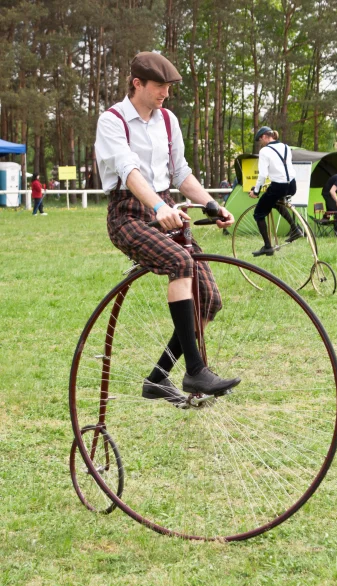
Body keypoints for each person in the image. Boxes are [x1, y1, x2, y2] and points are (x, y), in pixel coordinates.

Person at [95, 51, 240, 407]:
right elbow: (129, 171)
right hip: (128, 212)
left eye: (168, 87)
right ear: (137, 83)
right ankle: (195, 369)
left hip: (166, 209)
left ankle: (158, 378)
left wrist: (210, 204)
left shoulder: (168, 120)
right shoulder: (113, 120)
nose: (165, 93)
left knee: (210, 301)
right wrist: (157, 207)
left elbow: (180, 174)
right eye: (159, 86)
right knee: (179, 262)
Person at [249, 126, 301, 257]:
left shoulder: (265, 151)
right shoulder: (285, 147)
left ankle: (267, 247)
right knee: (275, 202)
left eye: (260, 139)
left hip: (279, 186)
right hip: (292, 186)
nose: (260, 143)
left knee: (259, 214)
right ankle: (295, 228)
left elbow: (262, 175)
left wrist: (255, 191)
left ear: (265, 136)